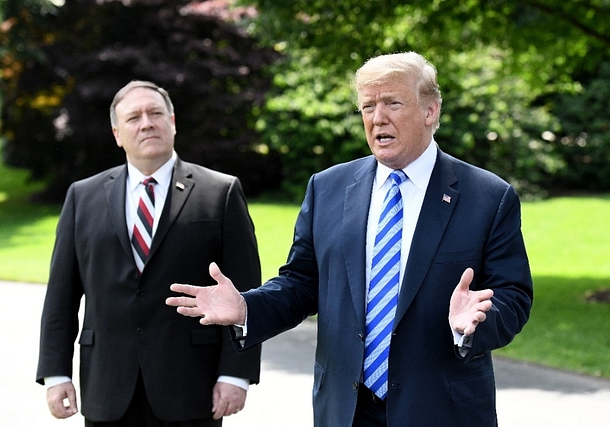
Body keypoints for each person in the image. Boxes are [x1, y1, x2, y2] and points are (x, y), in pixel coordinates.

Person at [166, 52, 533, 427]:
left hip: (443, 409)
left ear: (430, 111)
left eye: (393, 103)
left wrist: (475, 321)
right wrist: (247, 309)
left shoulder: (486, 196)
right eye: (368, 106)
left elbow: (514, 295)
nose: (378, 118)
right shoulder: (328, 188)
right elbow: (302, 283)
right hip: (346, 410)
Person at [36, 80, 262, 427]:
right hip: (107, 389)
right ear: (117, 133)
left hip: (192, 389)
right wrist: (55, 373)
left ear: (172, 121)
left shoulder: (221, 192)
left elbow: (245, 292)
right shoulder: (83, 197)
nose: (146, 123)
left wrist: (236, 375)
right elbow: (61, 296)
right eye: (134, 117)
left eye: (156, 113)